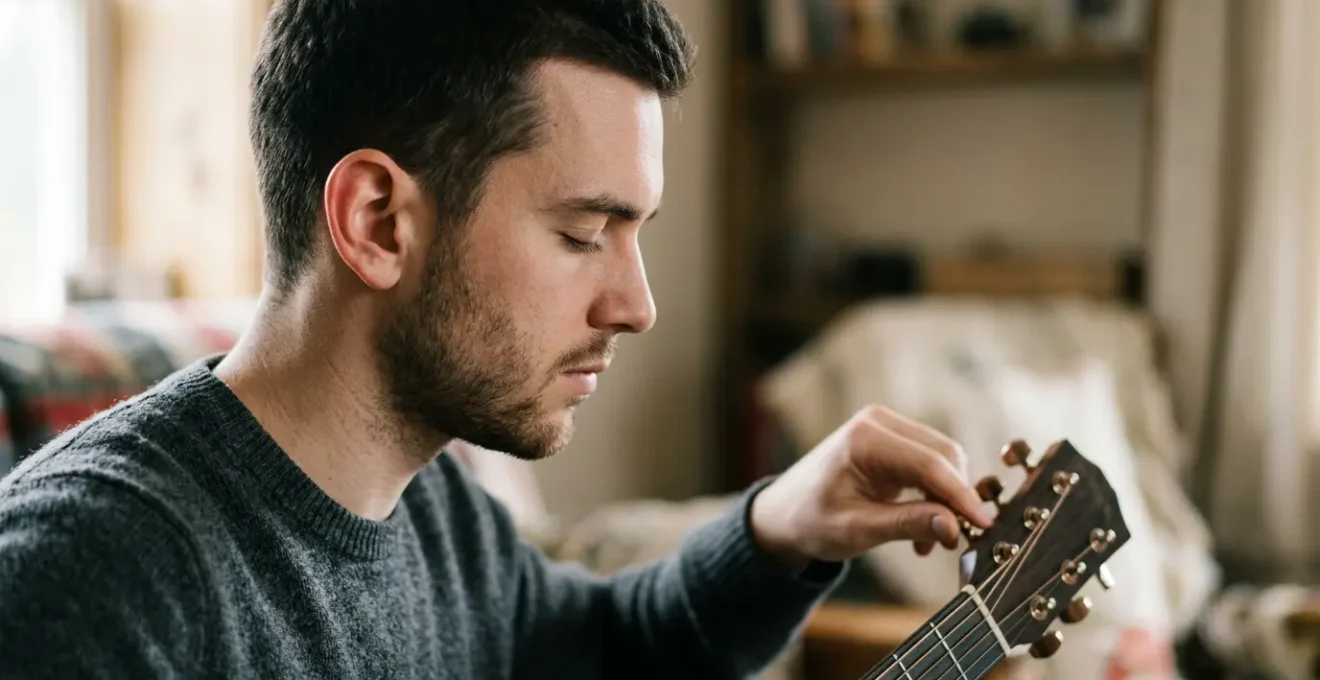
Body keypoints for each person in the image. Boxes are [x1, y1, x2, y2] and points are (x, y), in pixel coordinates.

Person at [0, 1, 992, 677]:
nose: (638, 305)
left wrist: (782, 526)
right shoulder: (89, 580)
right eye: (581, 234)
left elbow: (605, 648)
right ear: (379, 221)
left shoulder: (437, 506)